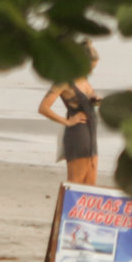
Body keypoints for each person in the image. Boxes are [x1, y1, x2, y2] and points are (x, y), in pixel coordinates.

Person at [39, 46, 102, 184]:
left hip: (91, 133)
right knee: (75, 183)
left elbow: (87, 102)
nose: (90, 71)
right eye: (89, 67)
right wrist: (67, 121)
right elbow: (43, 107)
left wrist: (99, 102)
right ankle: (64, 207)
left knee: (90, 184)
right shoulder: (64, 80)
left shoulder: (84, 79)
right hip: (78, 135)